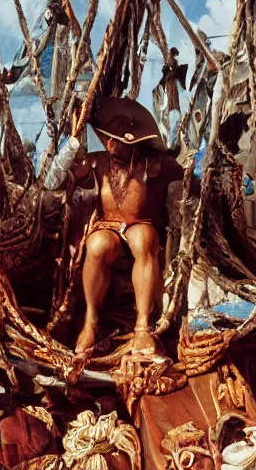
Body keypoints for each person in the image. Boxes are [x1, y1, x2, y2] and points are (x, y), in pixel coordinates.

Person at [53, 97, 184, 357]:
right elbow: (54, 182)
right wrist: (73, 141)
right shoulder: (97, 162)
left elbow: (187, 179)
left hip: (140, 225)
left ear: (132, 141)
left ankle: (142, 327)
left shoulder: (155, 163)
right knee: (97, 244)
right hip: (108, 226)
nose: (110, 145)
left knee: (144, 239)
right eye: (108, 139)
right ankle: (90, 322)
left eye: (117, 141)